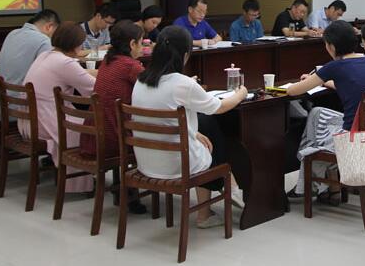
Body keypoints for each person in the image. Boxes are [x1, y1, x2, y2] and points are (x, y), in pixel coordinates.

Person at [131, 26, 248, 228]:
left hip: (146, 162)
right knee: (211, 132)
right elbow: (219, 107)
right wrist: (241, 94)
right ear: (185, 55)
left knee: (204, 130)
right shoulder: (182, 83)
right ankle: (226, 188)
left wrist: (193, 134)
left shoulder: (140, 80)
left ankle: (225, 190)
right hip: (176, 165)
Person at [286, 21, 365, 203]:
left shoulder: (335, 66)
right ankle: (331, 187)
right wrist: (322, 81)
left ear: (331, 46)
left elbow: (292, 91)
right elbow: (348, 84)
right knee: (317, 113)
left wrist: (311, 80)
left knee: (316, 134)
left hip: (351, 135)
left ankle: (309, 185)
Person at [79, 20, 147, 213]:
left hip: (94, 134)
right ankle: (131, 194)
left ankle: (123, 191)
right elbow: (153, 88)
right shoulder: (129, 65)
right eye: (141, 43)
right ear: (132, 44)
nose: (142, 48)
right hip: (113, 138)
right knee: (149, 136)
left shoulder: (108, 61)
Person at [23, 22, 97, 193]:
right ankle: (80, 181)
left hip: (30, 120)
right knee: (92, 128)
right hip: (48, 120)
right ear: (74, 44)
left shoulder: (46, 55)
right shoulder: (64, 63)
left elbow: (77, 74)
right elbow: (93, 88)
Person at [0, 9, 60, 122]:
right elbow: (50, 74)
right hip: (16, 113)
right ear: (49, 27)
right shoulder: (43, 41)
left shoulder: (12, 34)